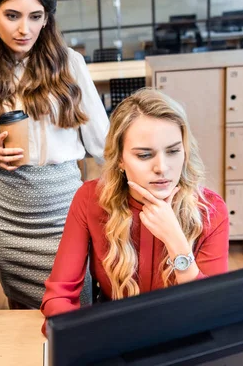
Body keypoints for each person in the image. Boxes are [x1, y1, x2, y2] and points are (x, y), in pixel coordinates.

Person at [0, 0, 109, 309]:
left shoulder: (70, 65)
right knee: (22, 317)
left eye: (35, 16)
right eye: (12, 15)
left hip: (65, 210)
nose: (24, 28)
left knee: (76, 307)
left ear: (46, 19)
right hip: (7, 214)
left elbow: (104, 144)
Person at [41, 88, 229, 332]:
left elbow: (214, 311)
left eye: (173, 151)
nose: (162, 167)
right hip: (115, 333)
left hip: (183, 333)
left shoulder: (211, 209)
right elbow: (58, 295)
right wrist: (81, 339)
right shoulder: (90, 199)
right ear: (120, 159)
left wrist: (176, 242)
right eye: (144, 155)